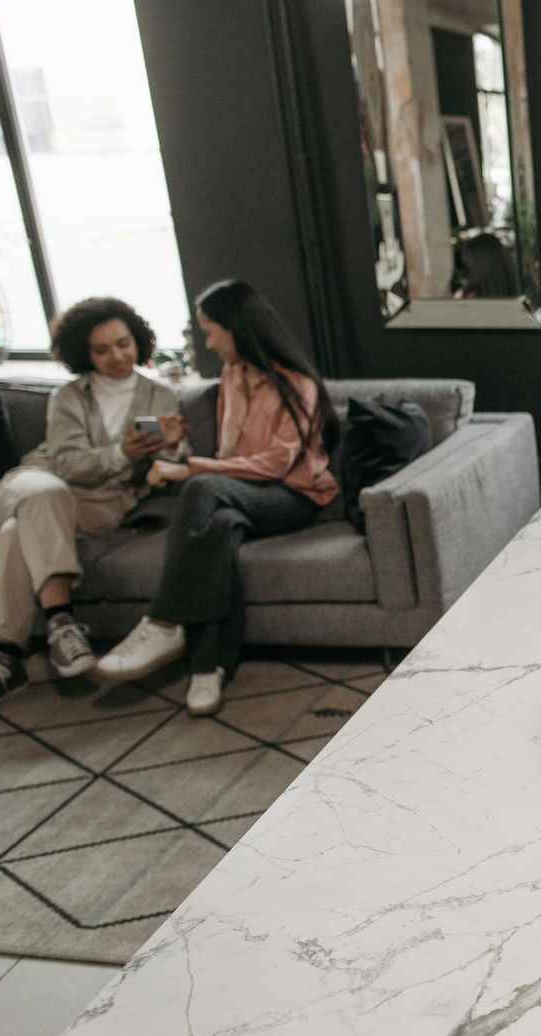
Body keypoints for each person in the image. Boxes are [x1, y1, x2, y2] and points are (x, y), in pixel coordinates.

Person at [96, 279, 339, 716]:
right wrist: (173, 449)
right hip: (240, 494)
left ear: (237, 328)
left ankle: (165, 621)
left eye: (210, 330)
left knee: (201, 485)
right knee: (219, 528)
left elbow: (274, 467)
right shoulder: (229, 376)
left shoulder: (297, 384)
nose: (207, 341)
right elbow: (232, 456)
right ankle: (208, 667)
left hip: (294, 496)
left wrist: (191, 469)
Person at [0, 297, 186, 718]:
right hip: (34, 483)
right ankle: (61, 622)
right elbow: (63, 464)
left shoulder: (159, 395)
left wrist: (170, 450)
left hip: (104, 503)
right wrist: (119, 453)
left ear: (138, 340)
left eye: (123, 343)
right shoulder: (67, 397)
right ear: (84, 353)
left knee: (14, 534)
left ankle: (4, 658)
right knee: (45, 494)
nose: (117, 356)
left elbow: (165, 465)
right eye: (102, 350)